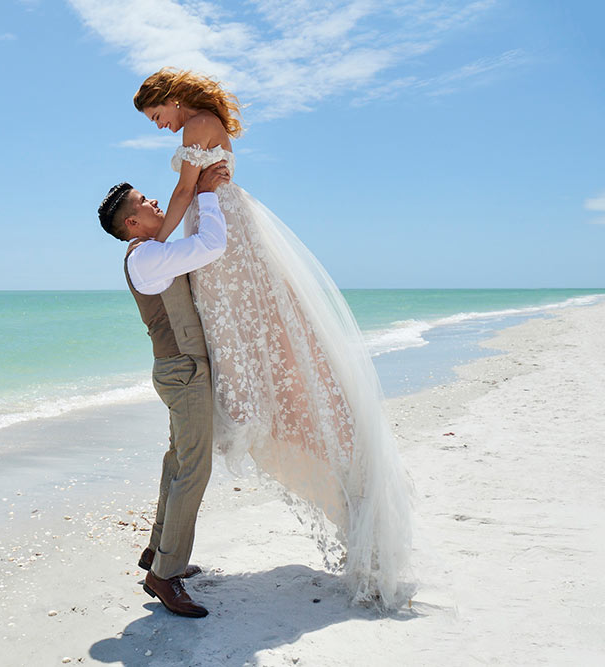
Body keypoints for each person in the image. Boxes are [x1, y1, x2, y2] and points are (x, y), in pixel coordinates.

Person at [132, 68, 414, 608]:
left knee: (250, 336)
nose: (160, 128)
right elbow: (190, 189)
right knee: (248, 334)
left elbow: (187, 187)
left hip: (224, 234)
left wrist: (157, 245)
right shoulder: (201, 125)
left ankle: (249, 413)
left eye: (156, 116)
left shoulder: (199, 124)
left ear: (169, 99)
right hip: (220, 225)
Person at [97, 160, 231, 618]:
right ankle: (165, 576)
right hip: (184, 372)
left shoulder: (149, 251)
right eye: (144, 201)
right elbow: (212, 244)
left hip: (177, 369)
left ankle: (158, 554)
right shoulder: (148, 256)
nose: (155, 201)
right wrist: (208, 194)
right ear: (132, 222)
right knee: (193, 471)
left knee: (178, 465)